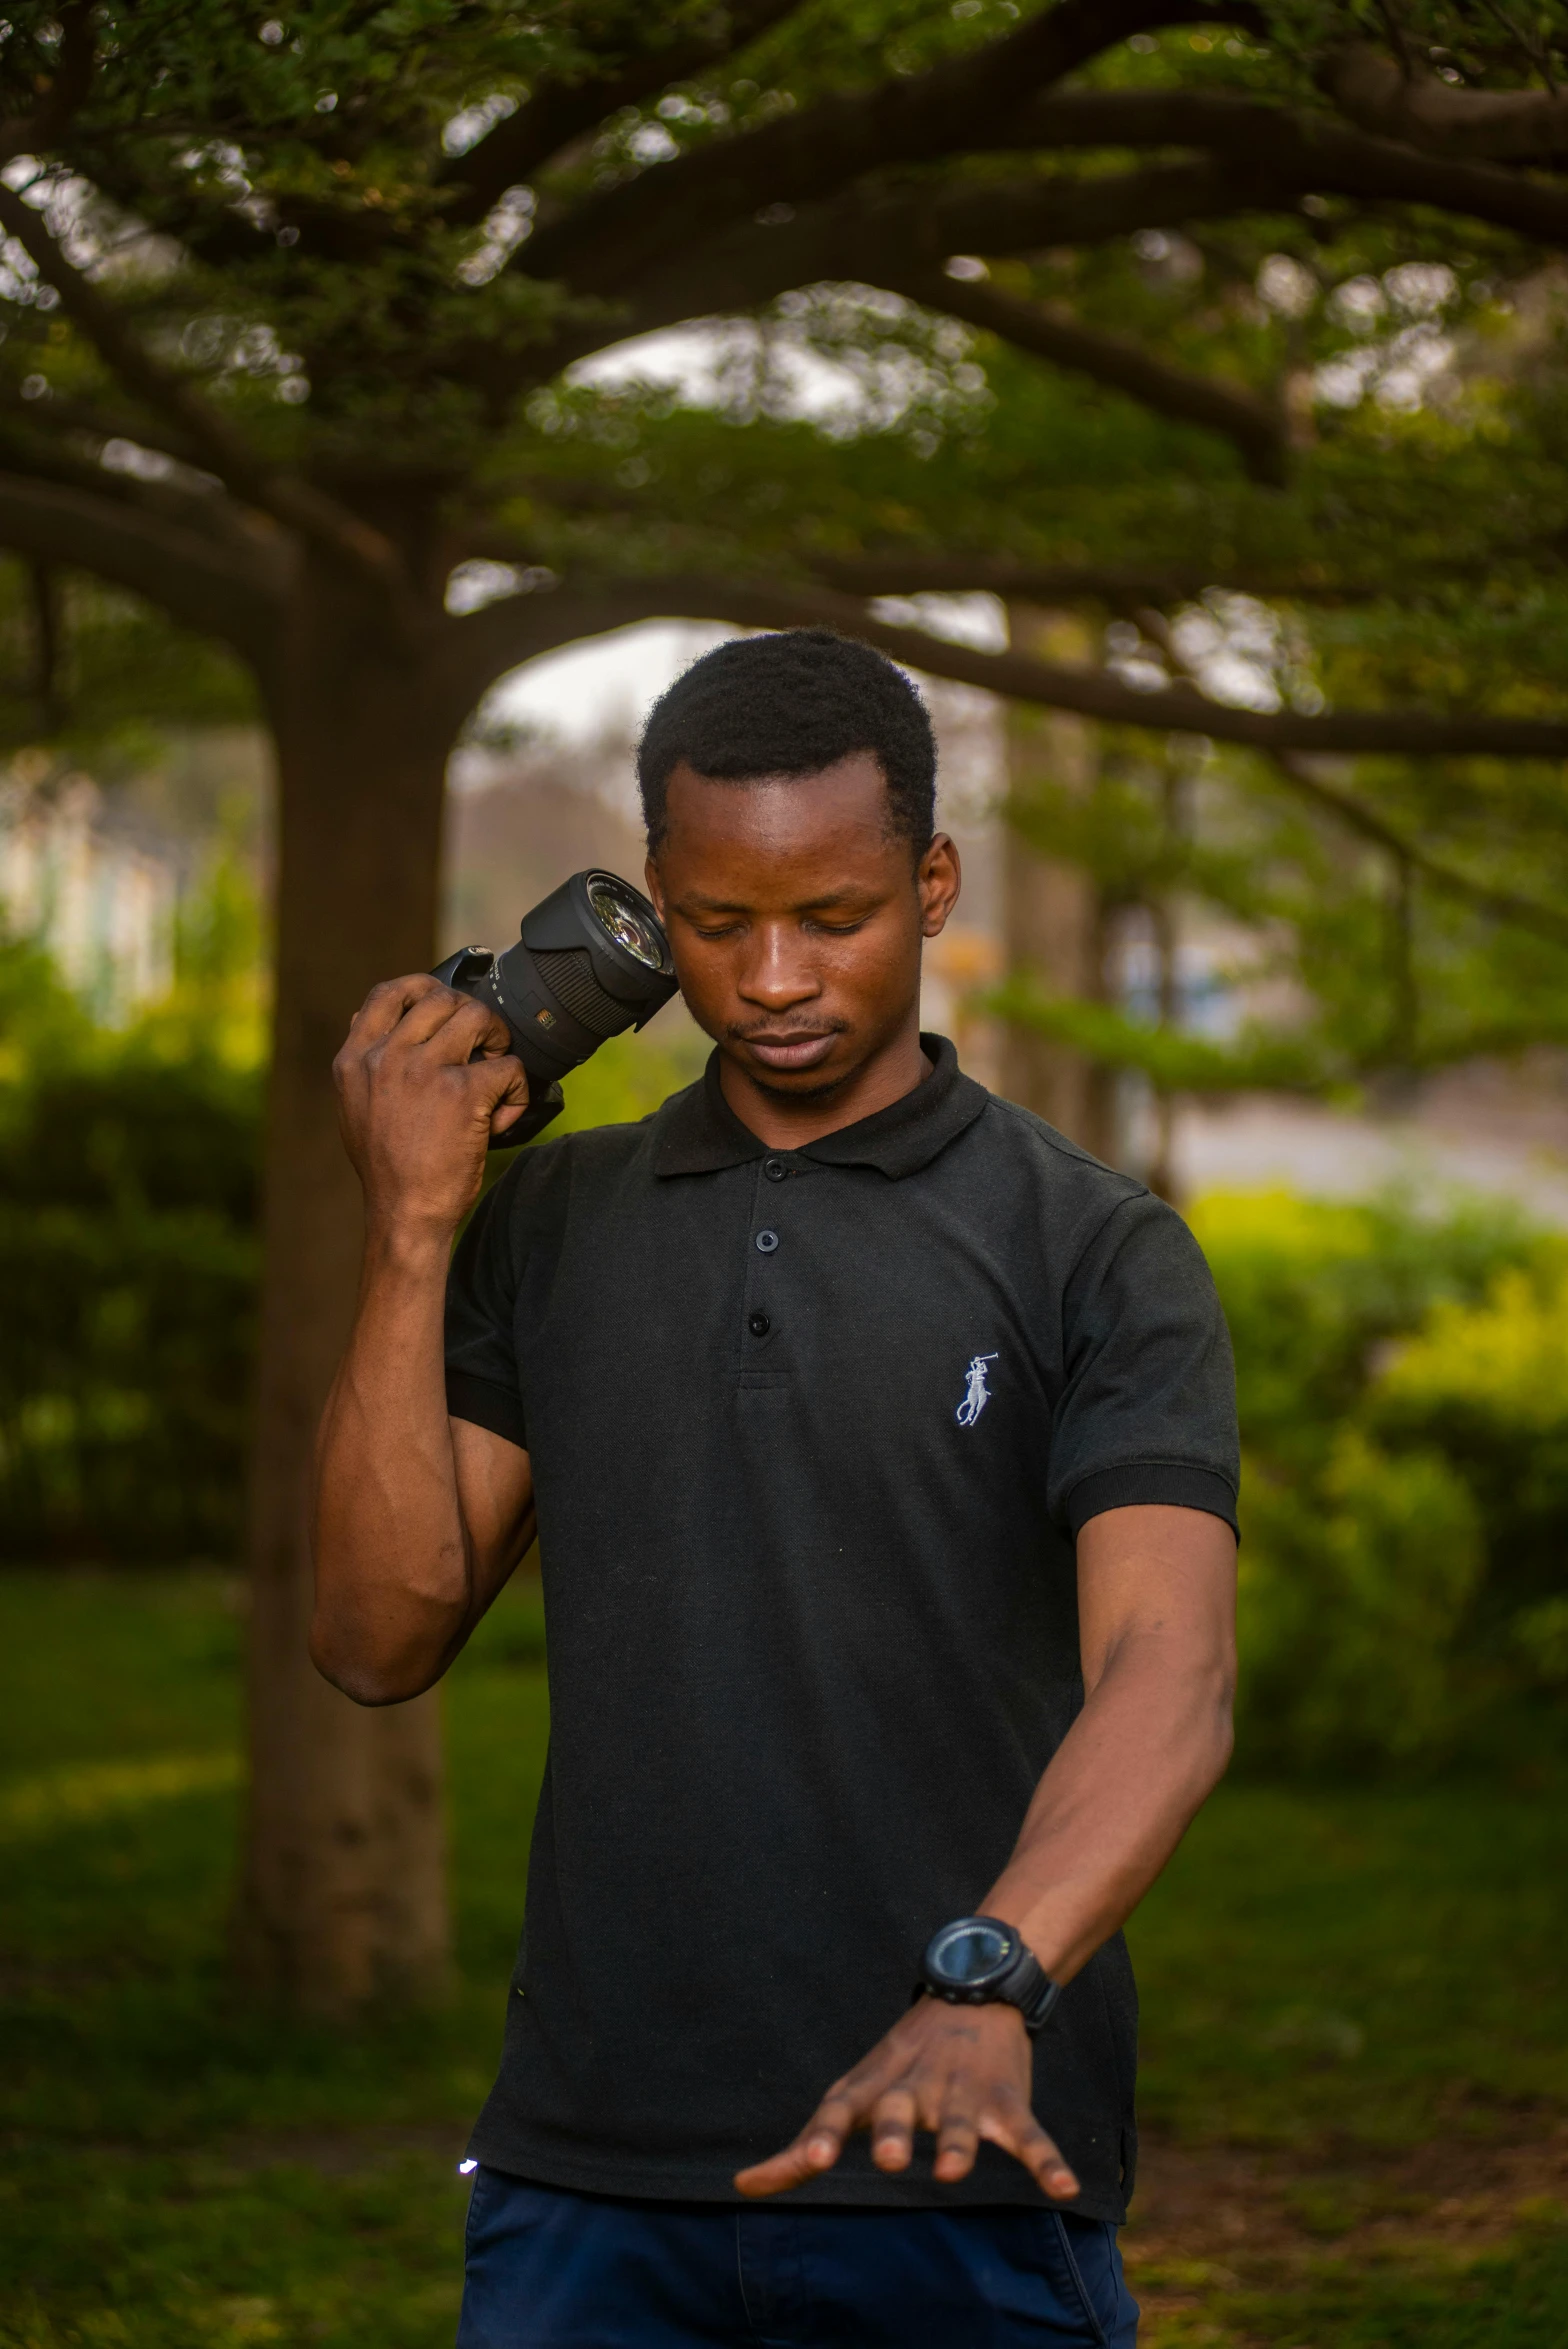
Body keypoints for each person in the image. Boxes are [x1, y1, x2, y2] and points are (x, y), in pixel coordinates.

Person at [313, 629, 1239, 2348]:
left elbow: (1170, 1680)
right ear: (658, 908)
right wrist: (415, 1228)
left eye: (836, 918)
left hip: (957, 2156)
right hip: (587, 2184)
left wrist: (993, 1979)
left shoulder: (1093, 1249)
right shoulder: (556, 1224)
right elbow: (376, 1635)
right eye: (723, 927)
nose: (778, 980)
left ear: (934, 883)